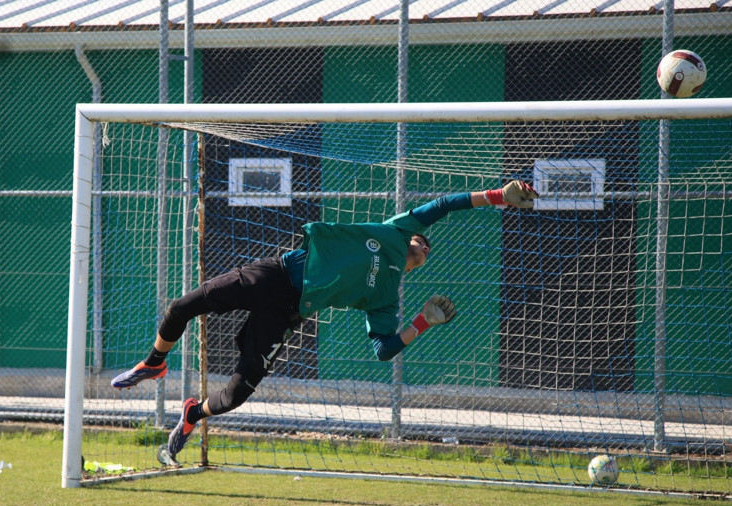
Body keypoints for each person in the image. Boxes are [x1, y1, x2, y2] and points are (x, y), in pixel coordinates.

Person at [111, 180, 538, 462]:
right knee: (181, 307)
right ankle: (155, 362)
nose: (421, 244)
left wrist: (422, 323)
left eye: (426, 250)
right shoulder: (392, 230)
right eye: (418, 238)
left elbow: (384, 349)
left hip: (289, 312)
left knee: (237, 394)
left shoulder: (386, 298)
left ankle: (191, 415)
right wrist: (499, 195)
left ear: (419, 265)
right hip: (275, 274)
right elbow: (448, 204)